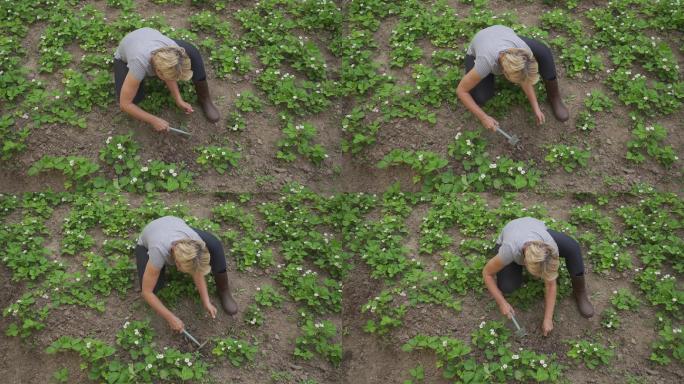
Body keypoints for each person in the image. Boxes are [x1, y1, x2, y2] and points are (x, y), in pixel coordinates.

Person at [482, 217, 594, 337]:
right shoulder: (509, 250)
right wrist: (502, 302)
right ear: (525, 262)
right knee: (507, 286)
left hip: (534, 228)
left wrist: (548, 318)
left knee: (573, 248)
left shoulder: (550, 248)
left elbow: (551, 284)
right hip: (512, 234)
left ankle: (580, 291)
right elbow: (487, 274)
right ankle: (516, 267)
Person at [456, 25, 569, 132]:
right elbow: (461, 91)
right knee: (481, 97)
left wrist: (536, 107)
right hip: (481, 42)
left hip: (501, 34)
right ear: (505, 73)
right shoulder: (485, 62)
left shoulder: (524, 53)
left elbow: (524, 77)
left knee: (544, 52)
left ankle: (554, 97)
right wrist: (484, 117)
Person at [135, 216, 238, 333]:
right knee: (155, 288)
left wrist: (206, 301)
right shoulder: (158, 251)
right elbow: (146, 292)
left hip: (173, 224)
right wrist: (170, 318)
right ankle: (157, 266)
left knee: (214, 244)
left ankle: (223, 290)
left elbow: (196, 270)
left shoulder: (196, 243)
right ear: (177, 263)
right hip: (150, 235)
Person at [114, 27, 220, 132]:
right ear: (158, 72)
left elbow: (170, 73)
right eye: (166, 76)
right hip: (128, 48)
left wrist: (178, 99)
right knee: (135, 99)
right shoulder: (139, 63)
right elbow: (125, 104)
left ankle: (204, 98)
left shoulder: (173, 51)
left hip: (149, 37)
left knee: (193, 53)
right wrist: (153, 120)